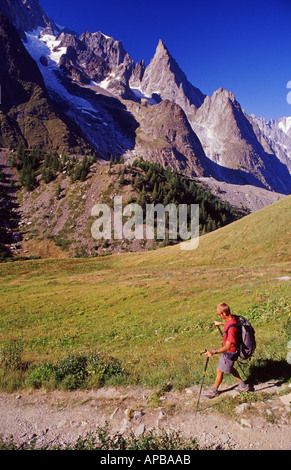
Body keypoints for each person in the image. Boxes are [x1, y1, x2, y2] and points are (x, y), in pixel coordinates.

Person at [203, 302, 248, 398]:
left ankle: (214, 391)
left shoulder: (231, 330)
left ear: (224, 313)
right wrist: (221, 323)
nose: (218, 316)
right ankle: (243, 385)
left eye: (219, 314)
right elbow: (231, 325)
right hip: (234, 350)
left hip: (230, 352)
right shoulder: (233, 318)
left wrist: (213, 351)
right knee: (230, 368)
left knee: (219, 370)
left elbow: (228, 346)